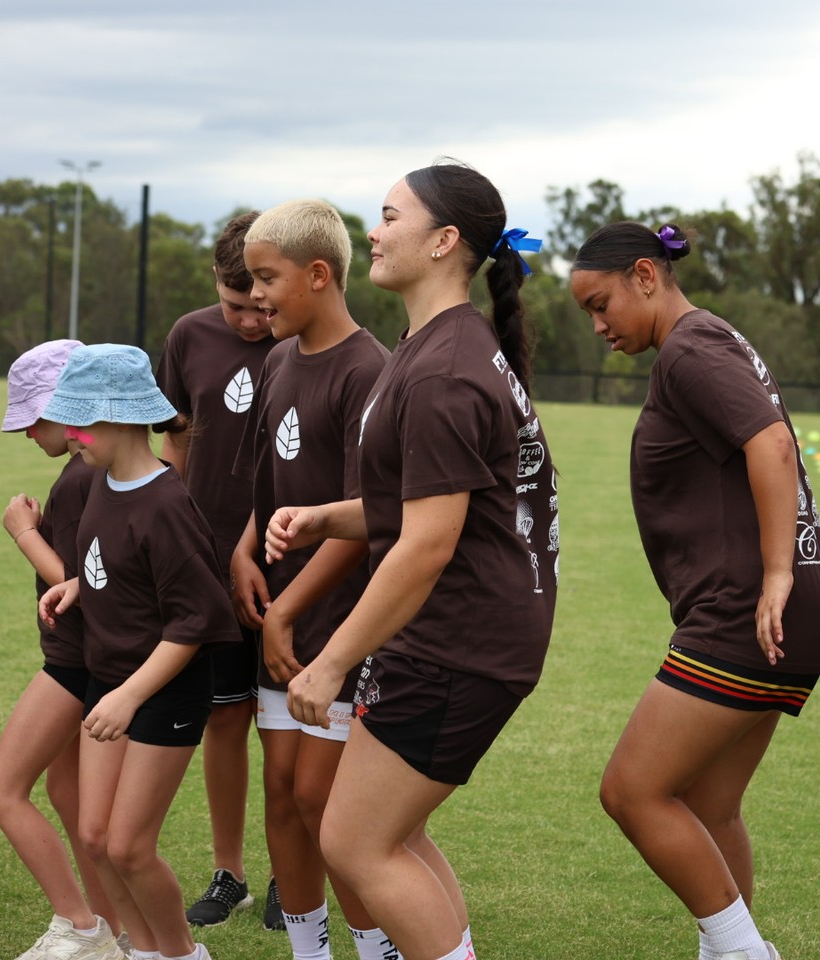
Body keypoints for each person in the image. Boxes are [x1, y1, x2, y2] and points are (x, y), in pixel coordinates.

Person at [264, 161, 558, 960]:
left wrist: (329, 663)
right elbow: (429, 502)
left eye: (390, 216)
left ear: (444, 241)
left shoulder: (446, 368)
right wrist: (331, 515)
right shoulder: (437, 346)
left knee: (357, 845)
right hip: (465, 638)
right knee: (391, 836)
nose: (374, 230)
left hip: (459, 643)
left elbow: (429, 544)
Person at [569, 222, 820, 960]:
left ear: (646, 277)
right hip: (777, 612)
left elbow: (773, 444)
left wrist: (776, 573)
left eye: (602, 304)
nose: (598, 326)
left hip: (746, 611)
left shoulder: (691, 347)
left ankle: (748, 953)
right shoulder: (704, 341)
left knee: (632, 791)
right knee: (710, 807)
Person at [38, 344, 243, 960]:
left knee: (129, 845)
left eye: (78, 420)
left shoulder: (167, 503)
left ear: (122, 417)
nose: (69, 434)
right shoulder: (100, 481)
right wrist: (81, 584)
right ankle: (142, 951)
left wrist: (129, 696)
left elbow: (193, 621)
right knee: (96, 838)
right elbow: (125, 568)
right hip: (112, 683)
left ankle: (182, 954)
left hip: (161, 692)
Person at [232, 199, 394, 960]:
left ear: (319, 275)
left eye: (268, 278)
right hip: (283, 620)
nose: (255, 294)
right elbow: (268, 487)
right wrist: (243, 549)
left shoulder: (370, 373)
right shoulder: (276, 360)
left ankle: (377, 948)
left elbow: (368, 523)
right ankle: (309, 950)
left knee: (324, 805)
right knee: (282, 799)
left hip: (338, 627)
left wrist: (286, 613)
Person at [0, 338, 124, 960]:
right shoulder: (100, 469)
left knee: (1, 789)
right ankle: (113, 932)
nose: (26, 432)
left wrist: (23, 533)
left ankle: (81, 925)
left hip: (75, 662)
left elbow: (79, 580)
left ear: (68, 409)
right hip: (94, 660)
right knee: (70, 799)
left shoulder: (77, 481)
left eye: (32, 418)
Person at [154, 212, 277, 928]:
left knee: (288, 730)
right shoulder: (188, 336)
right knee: (223, 722)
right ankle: (229, 872)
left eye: (262, 305)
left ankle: (295, 872)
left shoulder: (305, 337)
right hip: (206, 567)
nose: (252, 321)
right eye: (237, 307)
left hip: (292, 569)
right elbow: (175, 441)